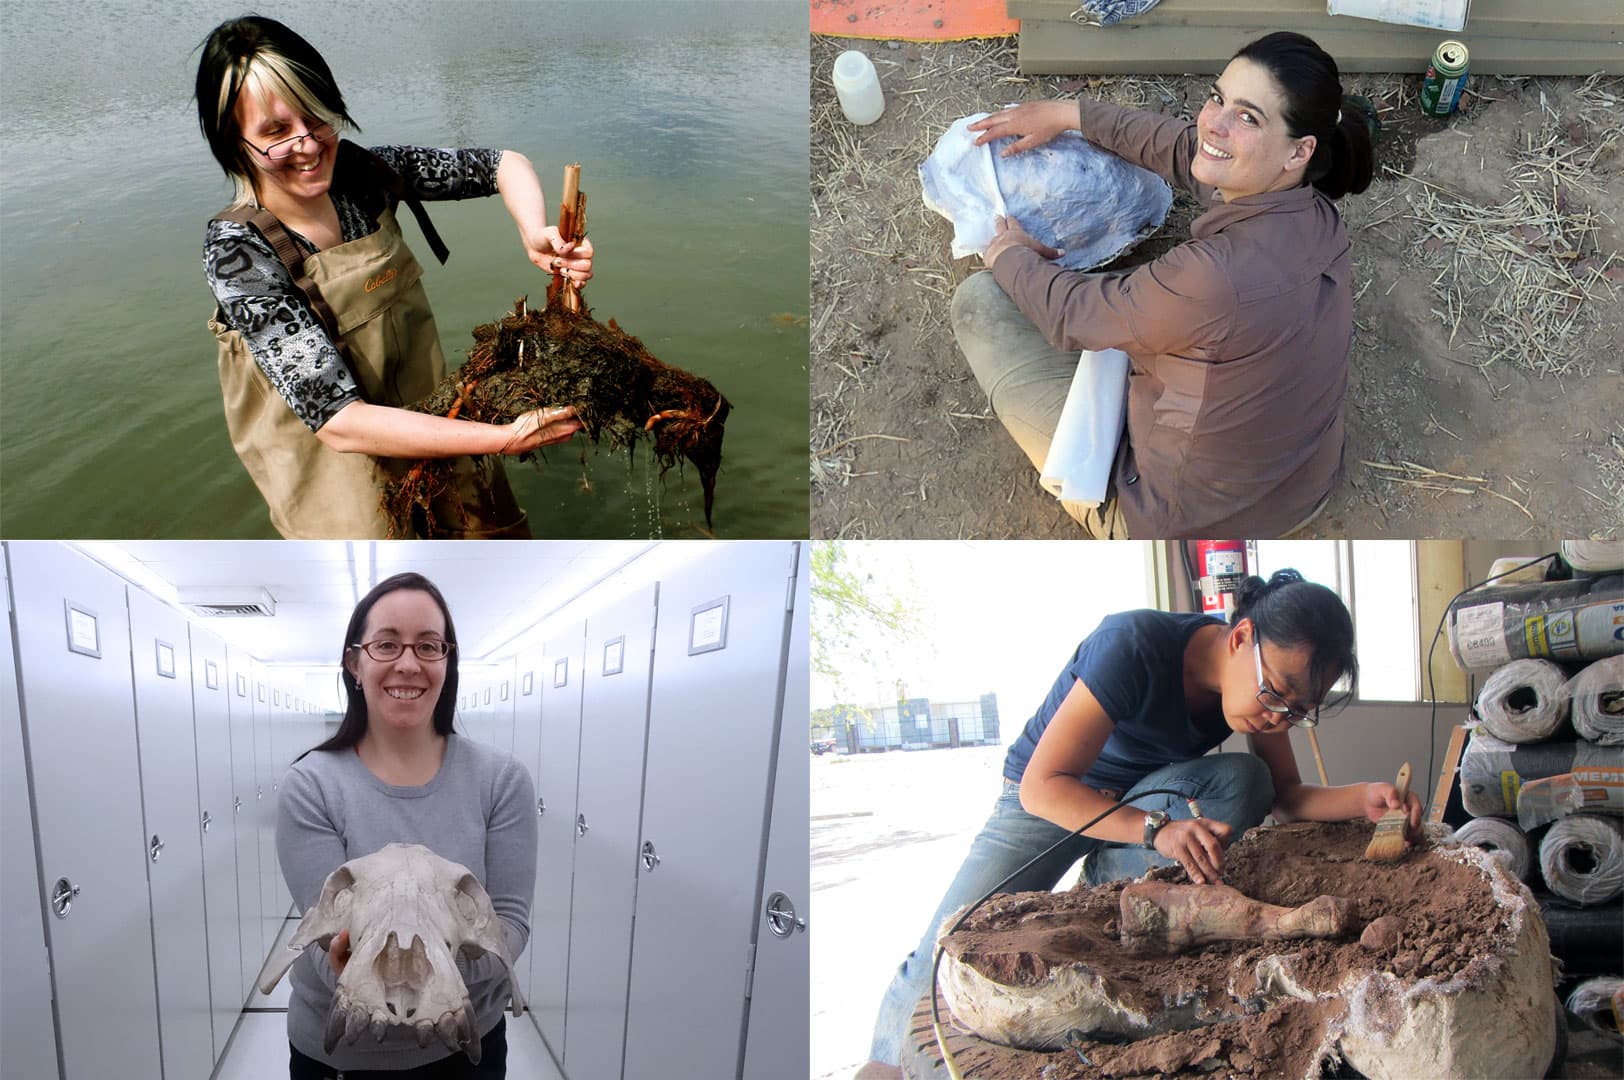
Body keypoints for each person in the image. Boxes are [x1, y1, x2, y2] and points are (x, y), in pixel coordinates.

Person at [855, 570, 1421, 1077]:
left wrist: (1365, 798)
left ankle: (1105, 882)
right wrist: (1155, 830)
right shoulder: (1132, 647)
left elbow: (1287, 796)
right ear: (1242, 637)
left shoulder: (1260, 691)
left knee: (1247, 778)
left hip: (1137, 802)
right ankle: (882, 1064)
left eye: (1298, 710)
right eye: (1276, 693)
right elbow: (1040, 784)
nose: (1278, 716)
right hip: (1051, 795)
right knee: (948, 938)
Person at [954, 31, 1375, 539]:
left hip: (1186, 518)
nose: (1213, 124)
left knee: (980, 300)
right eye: (1218, 98)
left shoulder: (1209, 277)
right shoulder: (1314, 211)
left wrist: (1008, 253)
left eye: (1248, 117)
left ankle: (1107, 507)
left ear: (1298, 150)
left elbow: (1073, 315)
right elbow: (1185, 149)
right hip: (1303, 484)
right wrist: (1071, 115)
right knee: (1152, 300)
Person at [196, 16, 592, 539]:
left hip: (444, 429)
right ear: (233, 142)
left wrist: (534, 231)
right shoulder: (239, 253)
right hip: (342, 477)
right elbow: (339, 421)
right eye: (275, 133)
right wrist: (504, 438)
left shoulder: (363, 178)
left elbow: (502, 164)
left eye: (316, 119)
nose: (309, 145)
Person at [277, 572, 537, 1077]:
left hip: (465, 1048)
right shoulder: (311, 785)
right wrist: (420, 971)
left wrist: (431, 978)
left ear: (447, 661)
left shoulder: (501, 781)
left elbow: (509, 924)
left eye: (428, 646)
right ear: (354, 662)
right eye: (387, 644)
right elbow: (318, 938)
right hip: (339, 1056)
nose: (408, 664)